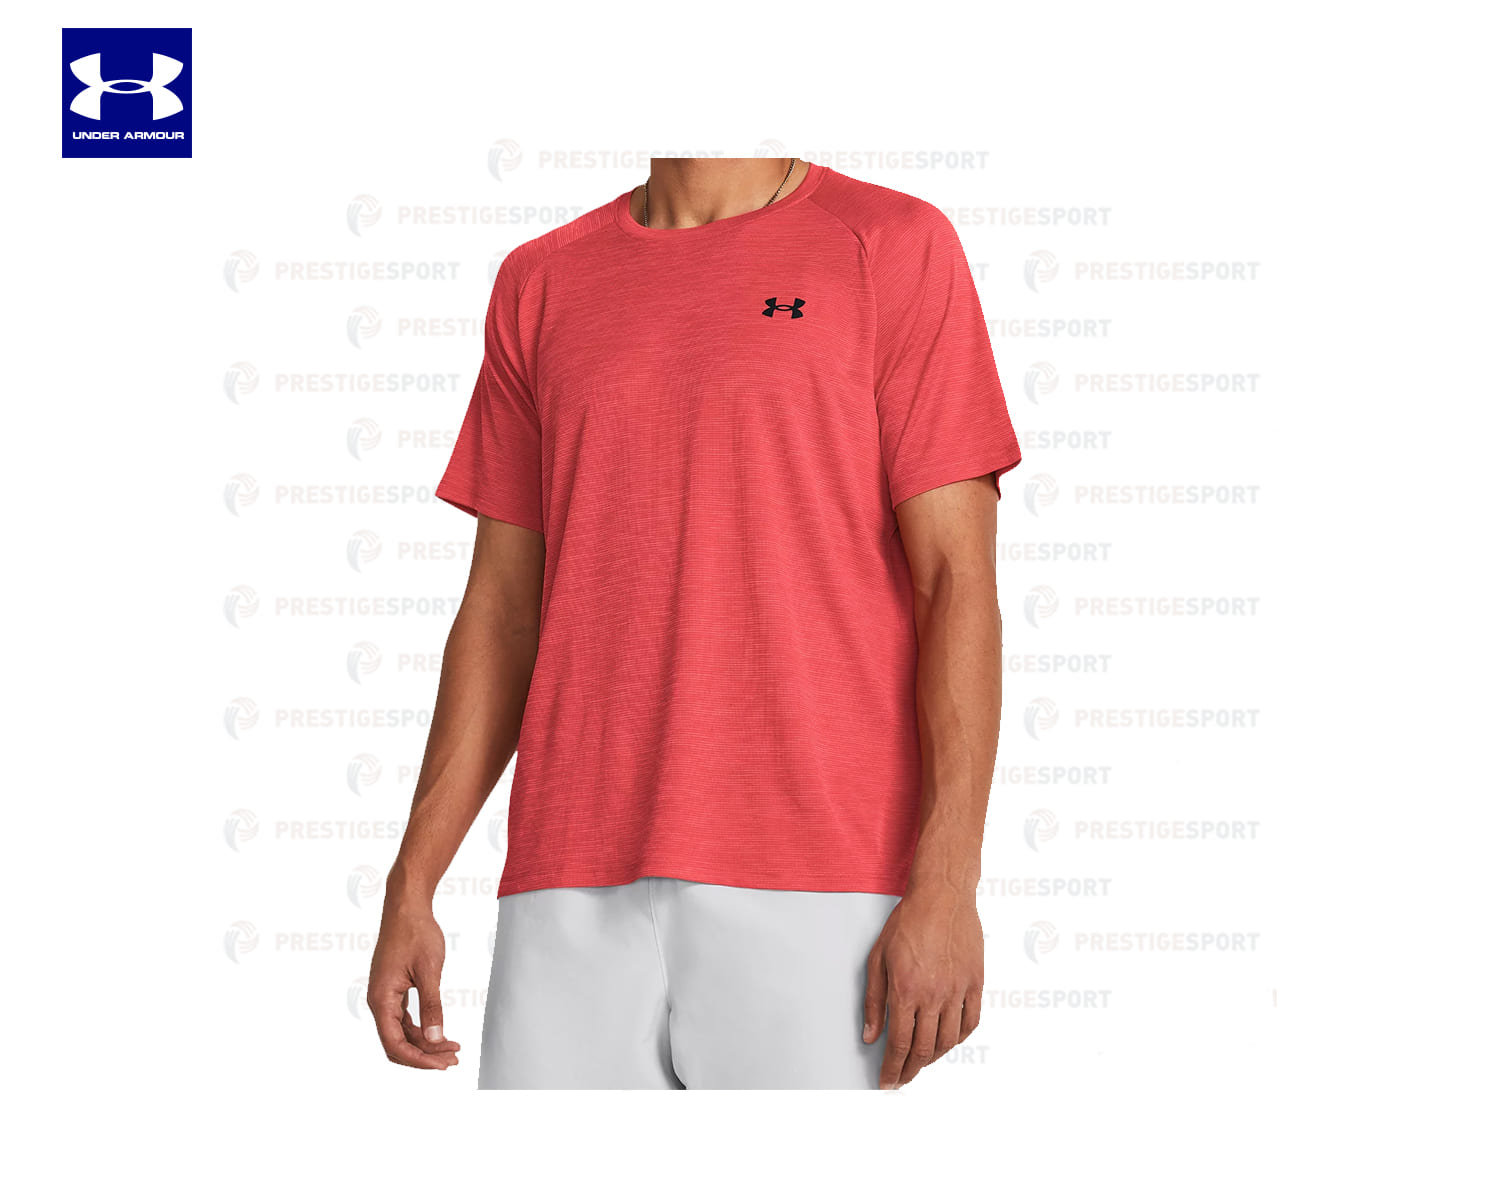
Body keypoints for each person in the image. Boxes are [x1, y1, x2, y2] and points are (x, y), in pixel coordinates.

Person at [366, 157, 1023, 1089]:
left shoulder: (889, 244)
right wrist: (414, 878)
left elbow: (954, 581)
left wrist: (950, 883)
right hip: (567, 879)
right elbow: (502, 609)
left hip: (821, 881)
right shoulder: (541, 279)